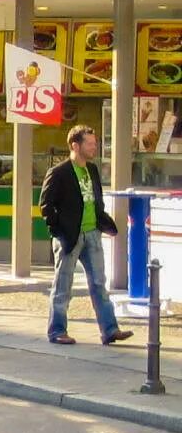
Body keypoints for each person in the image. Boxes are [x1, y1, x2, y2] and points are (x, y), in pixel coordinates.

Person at [40, 125, 132, 346]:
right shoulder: (59, 172)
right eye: (89, 144)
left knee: (99, 283)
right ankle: (57, 330)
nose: (94, 147)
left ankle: (110, 329)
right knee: (63, 285)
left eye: (94, 143)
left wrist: (101, 223)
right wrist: (58, 230)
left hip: (92, 233)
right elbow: (45, 205)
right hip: (69, 236)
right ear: (75, 145)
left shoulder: (92, 170)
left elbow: (96, 199)